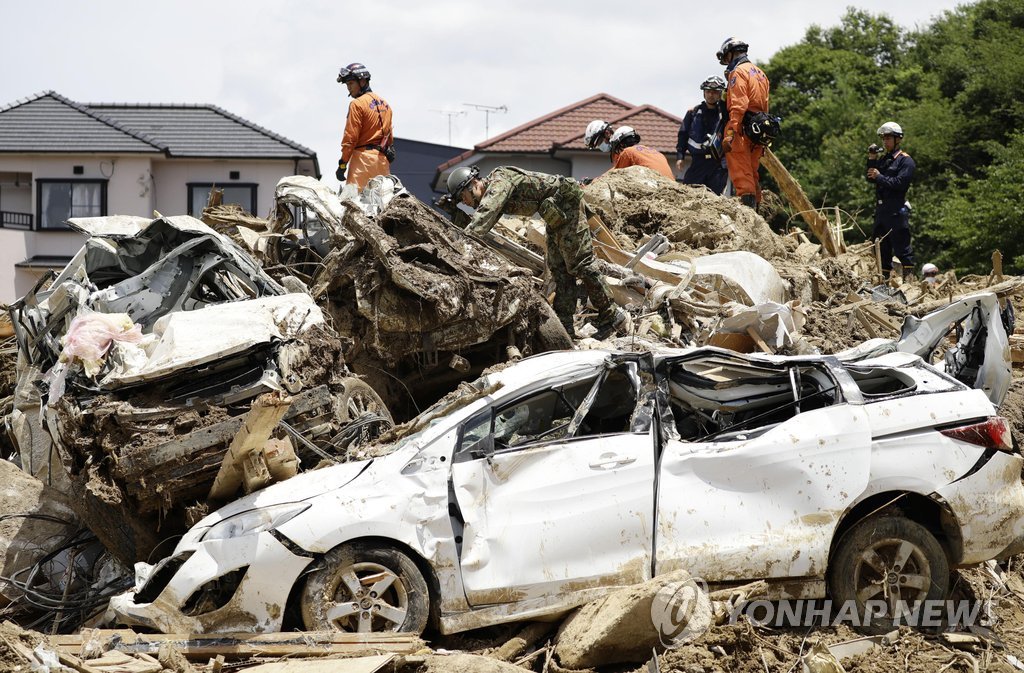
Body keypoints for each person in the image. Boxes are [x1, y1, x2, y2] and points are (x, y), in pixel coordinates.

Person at [446, 165, 627, 338]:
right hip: (555, 214)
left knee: (581, 264)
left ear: (473, 184)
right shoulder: (493, 191)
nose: (465, 203)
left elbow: (484, 216)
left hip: (567, 206)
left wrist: (459, 245)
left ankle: (611, 316)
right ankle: (565, 326)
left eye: (463, 197)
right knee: (560, 270)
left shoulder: (499, 182)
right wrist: (453, 213)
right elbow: (482, 220)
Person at [718, 37, 770, 209]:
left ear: (731, 53)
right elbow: (765, 106)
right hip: (759, 129)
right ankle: (757, 215)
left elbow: (739, 105)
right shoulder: (761, 73)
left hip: (741, 128)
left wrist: (731, 132)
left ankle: (748, 215)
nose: (727, 63)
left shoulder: (738, 72)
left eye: (726, 58)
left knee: (741, 173)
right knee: (752, 173)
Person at [866, 121, 916, 278]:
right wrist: (872, 159)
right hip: (881, 211)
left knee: (902, 249)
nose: (885, 142)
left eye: (888, 138)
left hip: (896, 211)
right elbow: (871, 178)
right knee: (882, 249)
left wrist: (880, 177)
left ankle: (910, 283)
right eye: (884, 139)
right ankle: (883, 284)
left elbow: (900, 184)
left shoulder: (905, 161)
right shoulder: (884, 160)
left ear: (898, 139)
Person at [336, 62, 394, 190]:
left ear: (362, 81)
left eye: (351, 83)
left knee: (353, 204)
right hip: (382, 162)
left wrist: (342, 164)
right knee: (382, 205)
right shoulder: (386, 105)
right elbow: (390, 140)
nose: (348, 88)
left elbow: (350, 138)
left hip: (362, 162)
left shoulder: (356, 104)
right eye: (347, 84)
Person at [676, 76, 729, 193]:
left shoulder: (725, 114)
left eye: (715, 92)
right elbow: (683, 134)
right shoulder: (693, 113)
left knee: (715, 198)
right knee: (688, 194)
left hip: (718, 165)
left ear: (720, 94)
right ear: (704, 93)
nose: (711, 95)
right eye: (708, 91)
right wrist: (680, 157)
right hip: (698, 162)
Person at [584, 121, 675, 180]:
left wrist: (592, 182)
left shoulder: (627, 153)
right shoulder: (655, 153)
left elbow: (613, 175)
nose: (600, 146)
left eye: (599, 142)